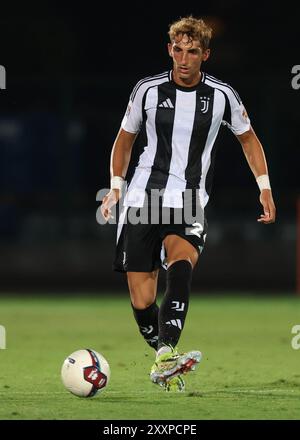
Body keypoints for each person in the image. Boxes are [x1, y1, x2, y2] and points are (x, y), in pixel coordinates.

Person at [100, 16, 276, 392]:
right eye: (178, 49)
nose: (184, 58)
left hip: (189, 199)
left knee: (181, 261)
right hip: (142, 199)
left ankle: (166, 350)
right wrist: (115, 187)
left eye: (192, 51)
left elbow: (249, 139)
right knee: (142, 296)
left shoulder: (222, 95)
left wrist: (265, 188)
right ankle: (162, 357)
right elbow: (124, 138)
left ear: (205, 55)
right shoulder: (146, 90)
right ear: (169, 50)